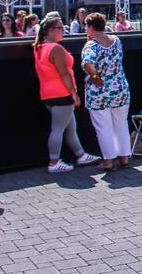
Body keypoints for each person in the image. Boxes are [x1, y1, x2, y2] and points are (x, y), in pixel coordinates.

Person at [33, 15, 100, 173]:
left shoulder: (39, 47)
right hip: (61, 93)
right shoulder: (55, 48)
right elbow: (64, 74)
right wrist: (74, 94)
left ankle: (81, 155)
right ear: (50, 31)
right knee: (58, 129)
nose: (63, 30)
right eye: (60, 28)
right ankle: (54, 162)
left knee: (70, 127)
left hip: (48, 94)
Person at [81, 13, 131, 171]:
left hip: (100, 91)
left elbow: (87, 62)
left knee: (103, 127)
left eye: (86, 27)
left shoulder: (91, 45)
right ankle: (124, 158)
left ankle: (109, 161)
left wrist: (94, 76)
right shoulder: (116, 40)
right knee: (121, 124)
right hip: (120, 87)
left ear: (90, 27)